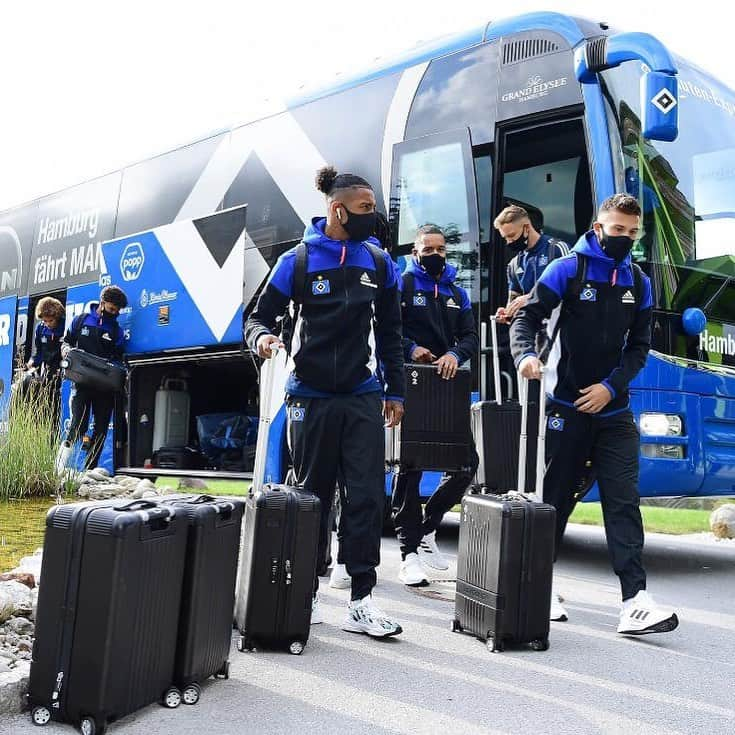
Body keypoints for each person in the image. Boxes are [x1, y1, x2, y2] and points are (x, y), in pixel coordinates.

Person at [244, 166, 405, 638]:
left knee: (366, 495)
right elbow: (257, 318)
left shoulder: (379, 263)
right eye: (365, 209)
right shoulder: (296, 261)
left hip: (361, 394)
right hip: (308, 396)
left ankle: (361, 599)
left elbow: (392, 334)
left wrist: (395, 390)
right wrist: (264, 340)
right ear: (337, 210)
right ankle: (306, 592)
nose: (374, 218)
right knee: (313, 496)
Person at [511, 194, 679, 635]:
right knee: (557, 500)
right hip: (565, 408)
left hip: (614, 410)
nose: (624, 238)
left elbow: (640, 348)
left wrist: (610, 388)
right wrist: (525, 356)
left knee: (623, 500)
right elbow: (526, 318)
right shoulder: (567, 269)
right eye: (617, 229)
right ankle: (539, 586)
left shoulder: (638, 282)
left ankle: (634, 601)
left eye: (632, 232)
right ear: (599, 225)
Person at [392, 224, 479, 586]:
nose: (435, 255)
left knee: (466, 464)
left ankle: (428, 529)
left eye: (441, 249)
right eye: (428, 249)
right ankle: (407, 554)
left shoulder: (459, 293)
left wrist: (454, 355)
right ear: (415, 252)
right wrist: (413, 349)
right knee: (409, 467)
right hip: (412, 383)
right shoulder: (403, 285)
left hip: (448, 387)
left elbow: (471, 337)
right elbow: (387, 329)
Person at [56, 285, 128, 472]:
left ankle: (90, 471)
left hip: (104, 388)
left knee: (101, 429)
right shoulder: (81, 320)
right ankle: (59, 467)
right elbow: (67, 341)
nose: (115, 313)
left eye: (118, 311)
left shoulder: (117, 332)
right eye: (112, 309)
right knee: (77, 425)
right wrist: (65, 350)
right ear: (102, 303)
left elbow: (119, 358)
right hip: (81, 383)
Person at [494, 205, 569, 325]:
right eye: (505, 238)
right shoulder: (514, 264)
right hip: (531, 333)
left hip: (558, 330)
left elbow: (573, 289)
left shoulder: (557, 249)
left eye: (511, 236)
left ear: (527, 228)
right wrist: (507, 314)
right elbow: (514, 301)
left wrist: (531, 297)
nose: (509, 242)